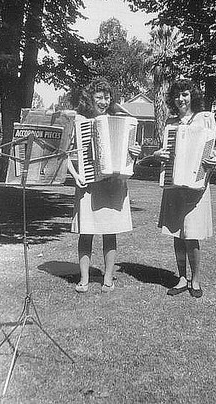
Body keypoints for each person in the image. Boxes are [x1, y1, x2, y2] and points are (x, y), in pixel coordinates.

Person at [68, 78, 141, 293]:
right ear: (89, 98)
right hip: (88, 184)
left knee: (111, 232)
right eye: (99, 97)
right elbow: (66, 155)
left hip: (113, 184)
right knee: (86, 232)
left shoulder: (121, 119)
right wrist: (75, 175)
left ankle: (107, 278)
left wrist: (134, 152)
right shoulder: (79, 120)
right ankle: (84, 278)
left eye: (106, 97)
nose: (103, 101)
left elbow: (130, 151)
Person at [154, 79, 216, 298]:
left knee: (192, 234)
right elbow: (164, 151)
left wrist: (214, 159)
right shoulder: (171, 124)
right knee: (177, 233)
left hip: (197, 186)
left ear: (192, 96)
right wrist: (159, 155)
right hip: (174, 185)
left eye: (185, 94)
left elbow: (215, 150)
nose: (181, 99)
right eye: (177, 96)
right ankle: (182, 278)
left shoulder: (204, 120)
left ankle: (196, 279)